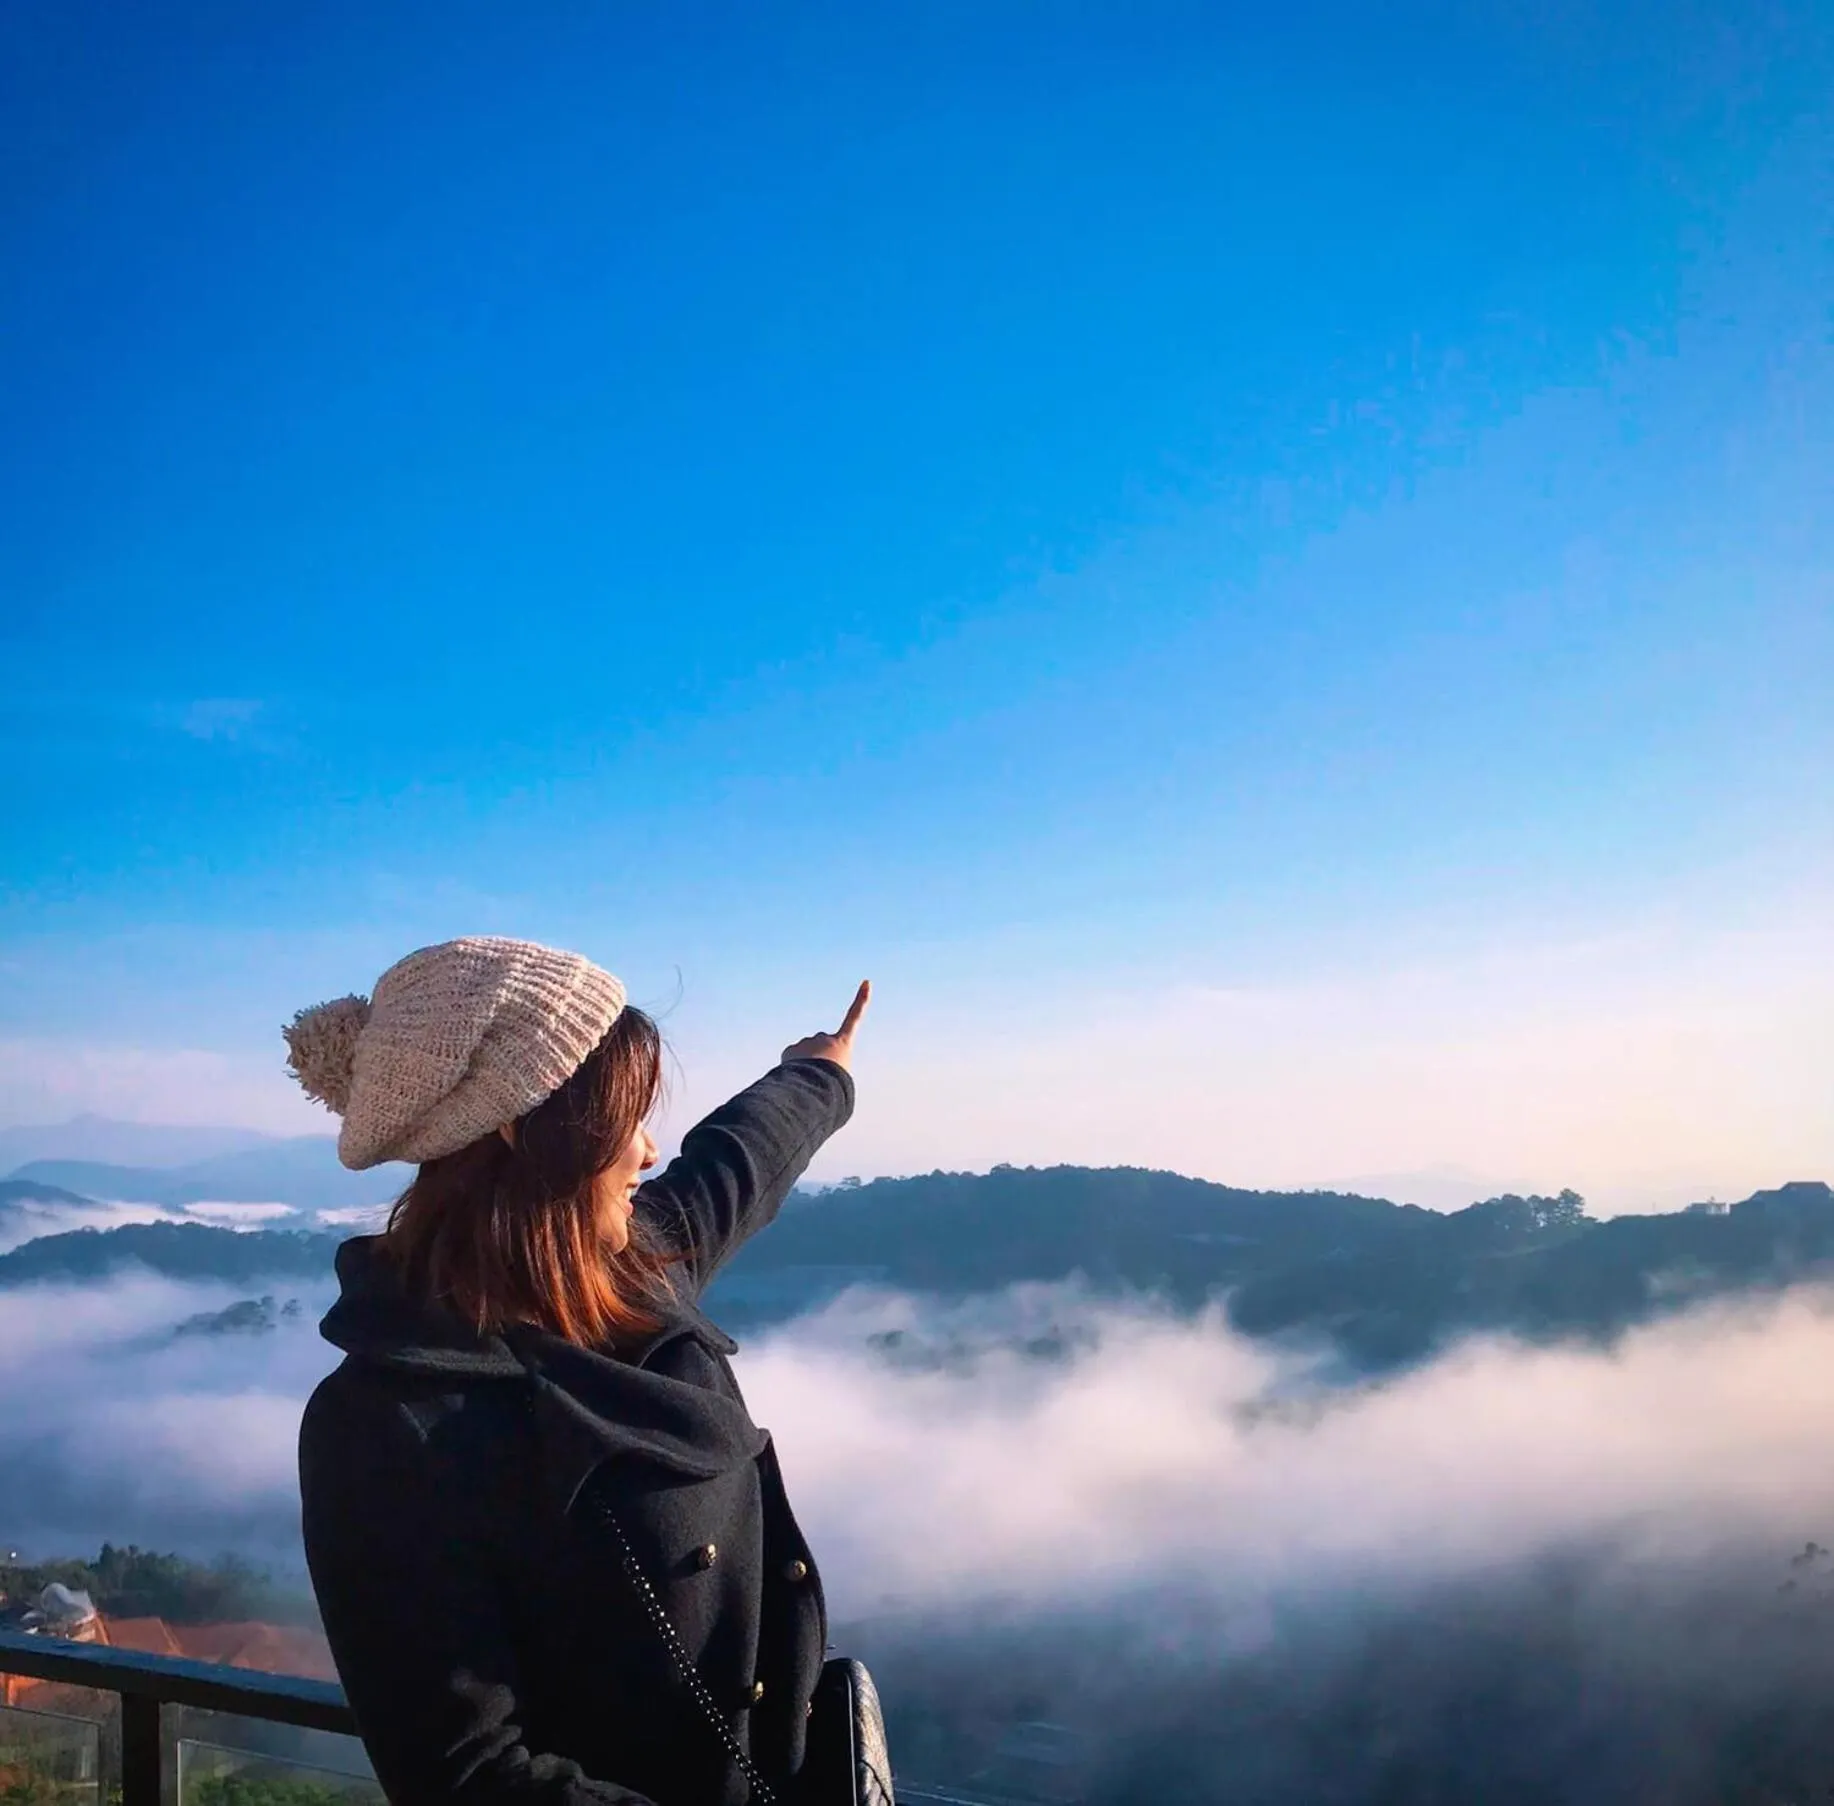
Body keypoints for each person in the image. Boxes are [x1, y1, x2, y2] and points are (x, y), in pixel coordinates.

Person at [290, 936, 870, 1806]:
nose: (647, 1152)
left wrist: (816, 1074)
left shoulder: (630, 1274)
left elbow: (732, 1165)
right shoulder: (386, 1424)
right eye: (625, 1118)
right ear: (528, 1126)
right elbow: (468, 1776)